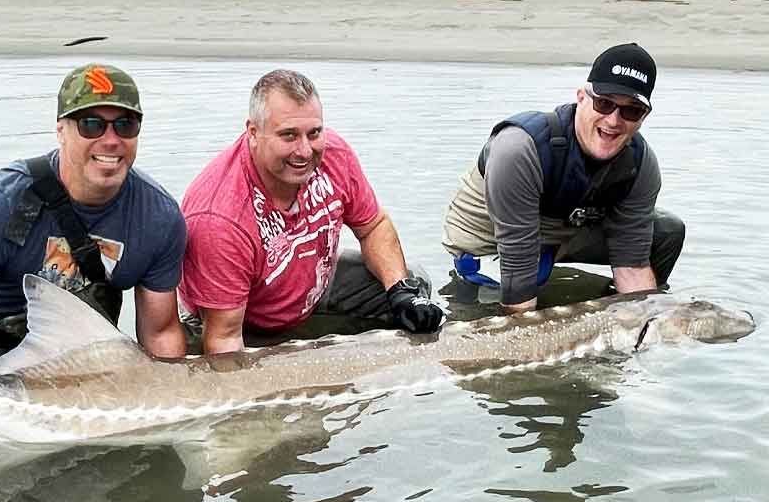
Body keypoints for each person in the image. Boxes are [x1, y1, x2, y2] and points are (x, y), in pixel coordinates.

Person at [0, 63, 187, 457]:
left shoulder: (159, 218)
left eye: (125, 125)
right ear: (60, 130)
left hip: (79, 351)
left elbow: (160, 333)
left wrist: (176, 418)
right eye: (91, 124)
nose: (111, 140)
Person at [179, 68, 443, 354]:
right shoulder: (219, 218)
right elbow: (224, 341)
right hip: (238, 322)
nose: (305, 151)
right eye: (289, 135)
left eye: (314, 133)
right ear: (253, 133)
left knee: (414, 283)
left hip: (312, 285)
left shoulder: (334, 154)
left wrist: (400, 290)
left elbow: (373, 226)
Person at [442, 43, 685, 314]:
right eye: (604, 103)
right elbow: (518, 260)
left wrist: (645, 321)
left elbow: (633, 264)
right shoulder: (520, 148)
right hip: (492, 240)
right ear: (581, 97)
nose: (614, 120)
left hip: (562, 232)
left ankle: (609, 321)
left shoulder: (641, 163)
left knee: (667, 231)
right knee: (498, 312)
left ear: (644, 116)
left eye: (631, 111)